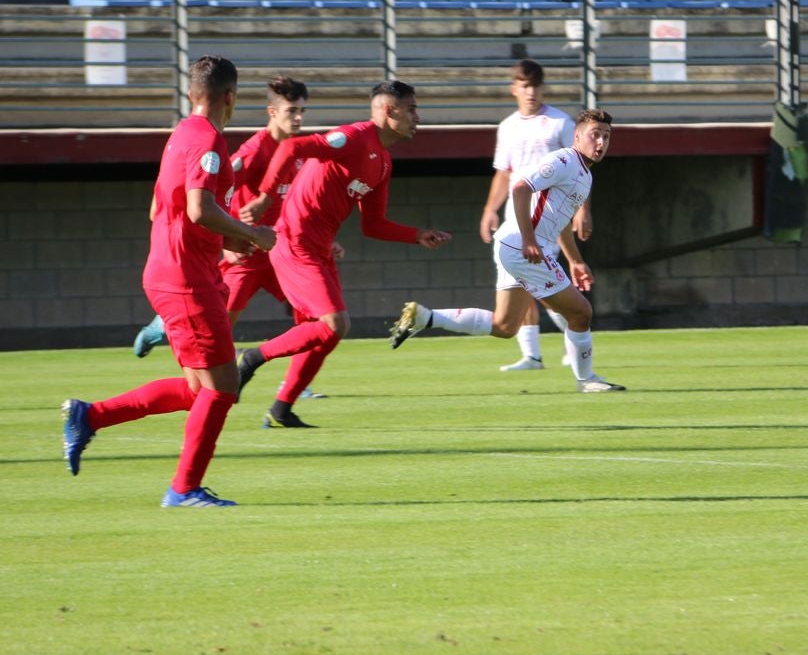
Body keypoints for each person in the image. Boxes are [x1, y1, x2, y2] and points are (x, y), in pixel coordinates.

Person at [61, 55, 277, 507]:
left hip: (173, 271)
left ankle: (91, 416)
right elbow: (199, 209)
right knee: (223, 389)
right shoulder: (210, 141)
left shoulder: (180, 134)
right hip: (188, 281)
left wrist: (224, 244)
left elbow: (163, 209)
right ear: (230, 97)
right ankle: (183, 489)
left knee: (199, 390)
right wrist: (251, 233)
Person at [235, 80, 453, 427]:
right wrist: (263, 197)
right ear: (388, 111)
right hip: (293, 241)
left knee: (323, 334)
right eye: (411, 109)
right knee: (335, 324)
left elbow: (374, 225)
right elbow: (291, 148)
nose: (418, 117)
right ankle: (251, 359)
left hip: (319, 249)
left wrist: (418, 235)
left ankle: (281, 409)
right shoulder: (352, 138)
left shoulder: (381, 162)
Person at [390, 108, 624, 394]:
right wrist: (529, 240)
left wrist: (575, 261)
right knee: (581, 312)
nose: (600, 142)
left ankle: (424, 317)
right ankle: (586, 380)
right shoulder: (563, 160)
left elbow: (561, 223)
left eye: (606, 136)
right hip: (521, 248)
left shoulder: (585, 176)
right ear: (577, 136)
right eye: (594, 135)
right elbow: (521, 189)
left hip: (516, 247)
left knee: (505, 325)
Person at [132, 76, 329, 401]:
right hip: (246, 254)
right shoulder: (253, 151)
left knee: (313, 319)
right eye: (292, 111)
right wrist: (230, 236)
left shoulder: (296, 151)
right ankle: (165, 326)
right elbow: (209, 191)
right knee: (219, 326)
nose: (298, 118)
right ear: (272, 112)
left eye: (302, 112)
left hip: (277, 253)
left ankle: (293, 385)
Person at [480, 59, 589, 372]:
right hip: (515, 217)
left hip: (550, 217)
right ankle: (532, 356)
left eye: (536, 86)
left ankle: (574, 334)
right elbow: (504, 174)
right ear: (514, 89)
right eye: (525, 86)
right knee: (522, 282)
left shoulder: (560, 123)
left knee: (539, 283)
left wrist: (583, 209)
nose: (531, 92)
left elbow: (579, 169)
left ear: (543, 88)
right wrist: (489, 209)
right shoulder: (508, 127)